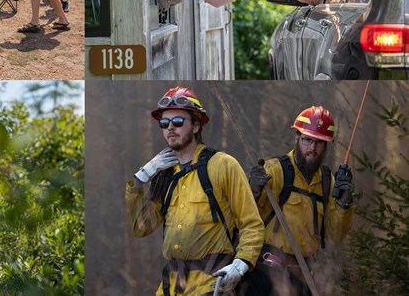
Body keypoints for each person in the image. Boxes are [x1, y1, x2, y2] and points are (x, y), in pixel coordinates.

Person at [127, 87, 264, 296]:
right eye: (164, 123)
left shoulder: (223, 165)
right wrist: (139, 180)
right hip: (170, 287)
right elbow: (142, 228)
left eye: (178, 122)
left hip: (211, 284)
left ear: (196, 125)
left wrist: (241, 263)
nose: (170, 128)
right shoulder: (164, 175)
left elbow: (251, 224)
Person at [243, 106, 352, 295]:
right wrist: (253, 189)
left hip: (304, 276)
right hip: (266, 272)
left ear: (326, 146)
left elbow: (334, 237)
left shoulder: (328, 182)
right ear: (297, 138)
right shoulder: (274, 170)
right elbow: (244, 217)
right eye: (307, 140)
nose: (312, 148)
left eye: (319, 143)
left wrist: (344, 204)